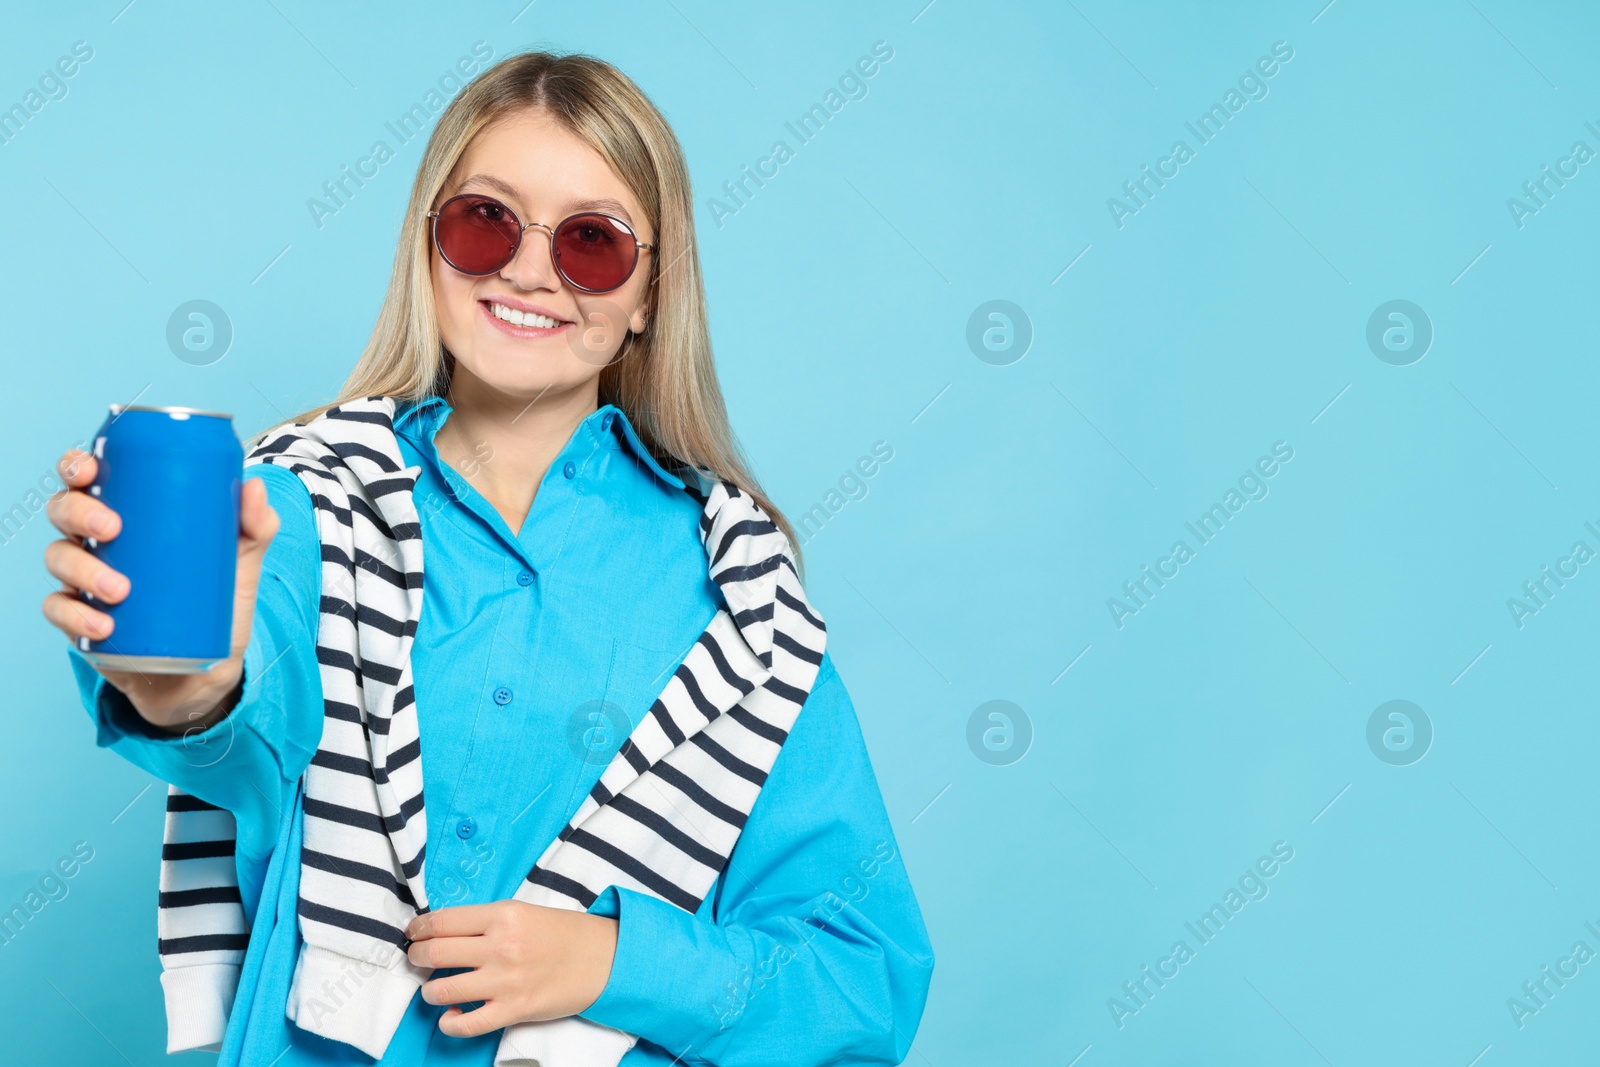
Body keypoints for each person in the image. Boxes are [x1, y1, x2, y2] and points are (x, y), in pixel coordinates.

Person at [42, 49, 933, 1067]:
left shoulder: (742, 604)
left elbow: (862, 982)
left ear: (650, 290)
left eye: (591, 242)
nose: (528, 268)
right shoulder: (302, 504)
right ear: (429, 247)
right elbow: (245, 718)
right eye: (486, 221)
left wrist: (613, 959)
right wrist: (186, 685)